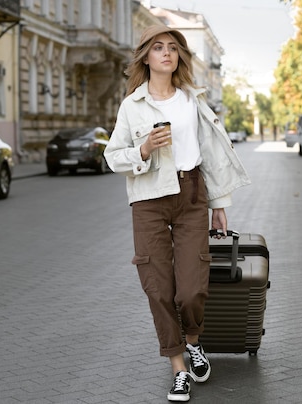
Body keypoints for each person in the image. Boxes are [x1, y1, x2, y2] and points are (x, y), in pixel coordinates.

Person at [103, 25, 250, 402]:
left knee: (191, 288)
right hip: (149, 198)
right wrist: (145, 148)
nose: (166, 53)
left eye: (172, 48)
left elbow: (211, 155)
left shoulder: (192, 100)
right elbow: (112, 156)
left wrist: (219, 204)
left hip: (191, 193)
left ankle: (194, 342)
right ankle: (178, 367)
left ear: (178, 57)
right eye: (158, 48)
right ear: (146, 57)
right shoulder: (132, 105)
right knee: (158, 287)